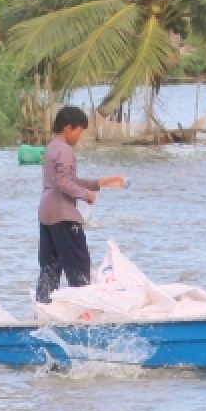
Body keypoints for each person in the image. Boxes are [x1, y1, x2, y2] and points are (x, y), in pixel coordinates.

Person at [35, 105, 125, 303]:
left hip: (46, 214)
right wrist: (86, 195)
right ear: (69, 128)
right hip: (63, 215)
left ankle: (43, 309)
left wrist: (101, 183)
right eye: (79, 131)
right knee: (79, 265)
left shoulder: (52, 148)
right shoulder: (65, 150)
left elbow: (67, 180)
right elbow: (63, 182)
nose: (79, 137)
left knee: (49, 268)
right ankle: (84, 312)